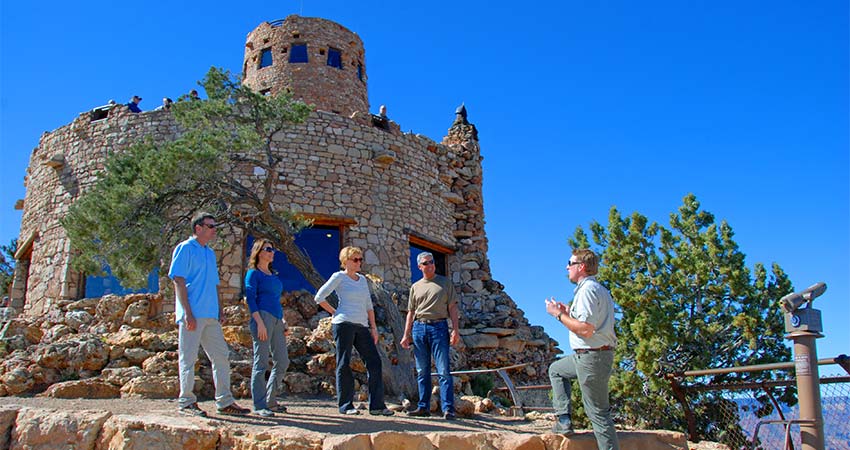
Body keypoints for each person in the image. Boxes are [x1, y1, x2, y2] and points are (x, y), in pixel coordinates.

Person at [168, 212, 249, 417]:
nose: (214, 230)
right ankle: (186, 402)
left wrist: (219, 310)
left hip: (210, 315)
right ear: (198, 228)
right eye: (211, 226)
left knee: (221, 355)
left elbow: (214, 284)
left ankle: (224, 401)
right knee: (188, 358)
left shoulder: (209, 253)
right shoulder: (185, 248)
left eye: (214, 226)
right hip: (192, 314)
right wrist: (187, 313)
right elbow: (178, 280)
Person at [545, 249, 619, 449]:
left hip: (592, 357)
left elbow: (586, 330)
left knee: (598, 413)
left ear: (582, 267)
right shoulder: (596, 289)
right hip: (587, 355)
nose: (567, 267)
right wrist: (567, 312)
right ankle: (564, 421)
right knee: (557, 370)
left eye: (570, 262)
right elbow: (589, 321)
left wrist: (557, 315)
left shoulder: (587, 291)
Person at [314, 246, 394, 416]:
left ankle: (377, 406)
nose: (359, 262)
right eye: (355, 259)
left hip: (362, 326)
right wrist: (335, 312)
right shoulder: (339, 277)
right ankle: (346, 405)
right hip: (343, 324)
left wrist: (373, 327)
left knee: (374, 362)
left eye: (360, 259)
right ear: (345, 262)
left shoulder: (363, 280)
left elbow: (368, 305)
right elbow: (319, 297)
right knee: (344, 363)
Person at [400, 252, 460, 420]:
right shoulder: (415, 287)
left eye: (432, 262)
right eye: (426, 263)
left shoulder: (445, 283)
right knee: (422, 371)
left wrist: (455, 329)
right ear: (420, 267)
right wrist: (406, 334)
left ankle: (448, 409)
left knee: (443, 370)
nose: (430, 265)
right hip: (419, 328)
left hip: (439, 327)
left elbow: (453, 308)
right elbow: (410, 312)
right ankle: (423, 407)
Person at [245, 238, 290, 417]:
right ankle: (259, 405)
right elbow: (250, 299)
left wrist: (283, 319)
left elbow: (276, 300)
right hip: (262, 317)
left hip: (277, 319)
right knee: (261, 362)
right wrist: (259, 322)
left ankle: (271, 400)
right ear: (259, 252)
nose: (272, 252)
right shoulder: (253, 274)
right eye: (268, 249)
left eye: (273, 250)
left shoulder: (273, 275)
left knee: (283, 361)